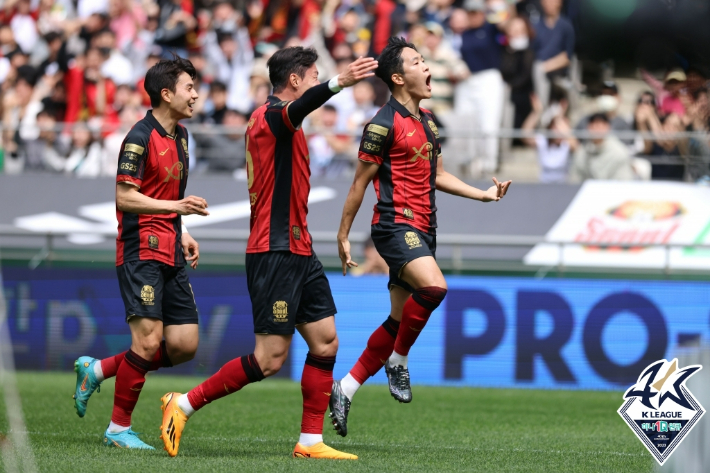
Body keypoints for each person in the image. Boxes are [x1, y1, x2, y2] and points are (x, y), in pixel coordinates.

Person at [158, 47, 377, 460]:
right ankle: (182, 404)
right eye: (313, 74)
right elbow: (300, 108)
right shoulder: (269, 116)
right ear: (294, 81)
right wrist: (339, 82)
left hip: (299, 247)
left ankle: (310, 441)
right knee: (270, 357)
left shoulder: (284, 120)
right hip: (273, 249)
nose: (316, 80)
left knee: (326, 342)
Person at [330, 37, 511, 437]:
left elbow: (439, 175)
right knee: (435, 289)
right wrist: (342, 235)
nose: (428, 67)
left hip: (425, 229)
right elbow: (359, 184)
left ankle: (345, 388)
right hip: (395, 226)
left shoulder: (428, 121)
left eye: (426, 59)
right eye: (418, 61)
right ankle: (399, 361)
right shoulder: (380, 125)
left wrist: (483, 194)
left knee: (397, 320)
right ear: (398, 77)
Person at [72, 55, 210, 449]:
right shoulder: (138, 137)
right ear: (165, 94)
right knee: (148, 342)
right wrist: (178, 209)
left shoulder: (181, 136)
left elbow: (167, 195)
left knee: (184, 345)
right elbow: (124, 197)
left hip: (171, 247)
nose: (195, 95)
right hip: (140, 249)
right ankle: (118, 428)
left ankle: (96, 371)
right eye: (188, 87)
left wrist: (181, 229)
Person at [455, 0, 508, 175]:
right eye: (470, 13)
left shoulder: (491, 28)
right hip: (469, 80)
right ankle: (471, 162)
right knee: (468, 122)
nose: (473, 16)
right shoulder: (464, 34)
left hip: (489, 78)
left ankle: (489, 163)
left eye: (476, 12)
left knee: (489, 123)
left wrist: (494, 7)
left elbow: (505, 21)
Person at [530, 0, 575, 108]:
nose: (548, 4)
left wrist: (545, 67)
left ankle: (542, 108)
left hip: (558, 73)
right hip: (537, 72)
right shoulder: (536, 26)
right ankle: (541, 109)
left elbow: (568, 56)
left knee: (539, 70)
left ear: (559, 3)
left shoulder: (566, 26)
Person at [570, 113, 634, 182]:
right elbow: (574, 180)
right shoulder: (582, 153)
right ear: (588, 127)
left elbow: (623, 181)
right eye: (593, 125)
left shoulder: (619, 152)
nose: (596, 128)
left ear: (608, 127)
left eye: (600, 125)